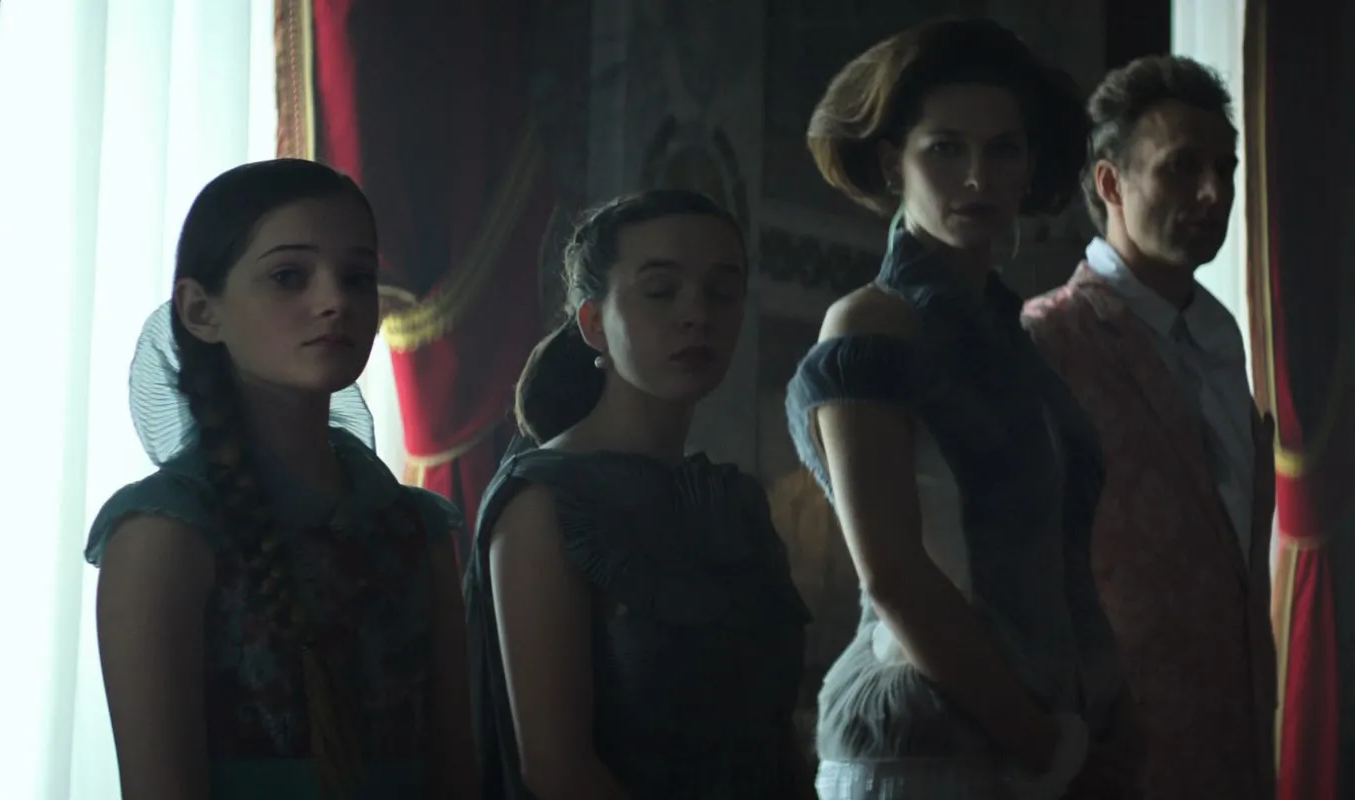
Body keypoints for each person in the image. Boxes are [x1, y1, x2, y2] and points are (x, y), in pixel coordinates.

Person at [787, 18, 1146, 799]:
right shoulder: (871, 323)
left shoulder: (1019, 346)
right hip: (923, 752)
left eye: (1002, 150)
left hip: (1051, 740)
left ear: (1029, 168)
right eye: (945, 149)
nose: (978, 177)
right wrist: (1052, 751)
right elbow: (893, 577)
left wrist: (1099, 715)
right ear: (894, 163)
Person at [87, 159, 475, 799]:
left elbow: (455, 774)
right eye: (288, 276)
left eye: (358, 278)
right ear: (201, 311)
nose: (334, 302)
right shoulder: (166, 533)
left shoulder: (415, 527)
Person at [466, 189, 815, 799]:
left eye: (722, 292)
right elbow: (557, 770)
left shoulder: (734, 502)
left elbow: (777, 735)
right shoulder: (543, 502)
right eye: (660, 291)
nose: (697, 314)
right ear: (594, 323)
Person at [1021, 55, 1277, 800]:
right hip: (1111, 743)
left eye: (1225, 169)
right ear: (1111, 184)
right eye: (1182, 167)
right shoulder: (1049, 336)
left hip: (1233, 733)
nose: (1214, 192)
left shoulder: (1223, 338)